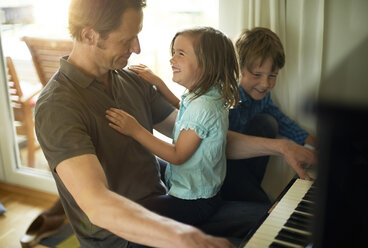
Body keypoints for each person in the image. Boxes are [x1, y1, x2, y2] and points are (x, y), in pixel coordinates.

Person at [33, 0, 316, 247]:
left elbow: (204, 138)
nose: (137, 48)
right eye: (127, 39)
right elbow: (97, 204)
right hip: (124, 237)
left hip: (171, 199)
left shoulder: (130, 80)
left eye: (138, 36)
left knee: (276, 221)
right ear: (89, 35)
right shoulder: (58, 106)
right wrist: (182, 237)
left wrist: (281, 147)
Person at [105, 26, 240, 226]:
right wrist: (158, 82)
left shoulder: (203, 107)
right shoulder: (208, 93)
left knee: (134, 214)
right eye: (173, 53)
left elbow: (177, 155)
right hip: (202, 192)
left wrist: (135, 129)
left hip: (193, 202)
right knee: (148, 162)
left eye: (181, 54)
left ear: (208, 65)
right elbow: (182, 106)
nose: (172, 59)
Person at [220, 27, 317, 202]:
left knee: (268, 122)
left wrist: (315, 144)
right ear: (238, 69)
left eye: (272, 76)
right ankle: (256, 200)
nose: (265, 83)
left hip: (242, 161)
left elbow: (282, 121)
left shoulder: (262, 97)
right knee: (264, 205)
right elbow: (219, 147)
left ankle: (252, 193)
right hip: (221, 164)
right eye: (257, 74)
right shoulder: (227, 98)